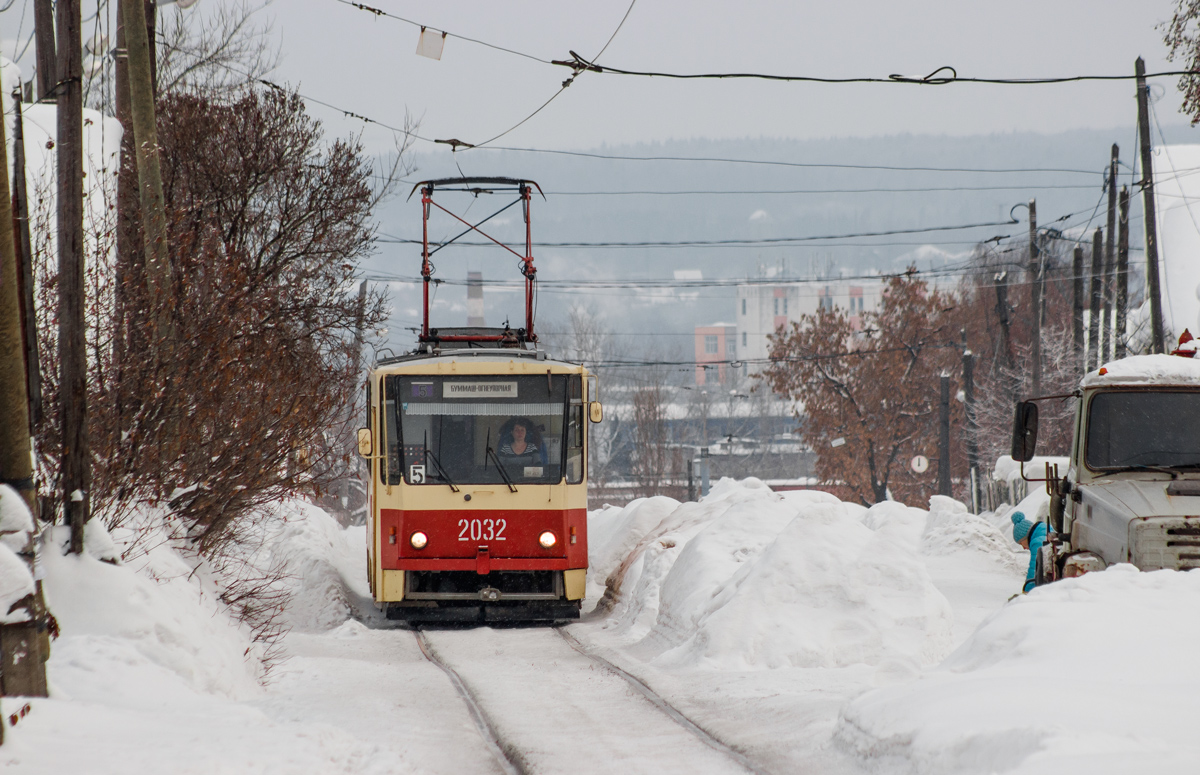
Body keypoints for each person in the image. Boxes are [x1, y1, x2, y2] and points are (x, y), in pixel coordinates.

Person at [1012, 511, 1048, 593]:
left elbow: (1034, 568)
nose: (1024, 548)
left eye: (1021, 543)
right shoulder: (1044, 530)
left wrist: (1027, 591)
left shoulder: (1037, 542)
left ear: (1025, 537)